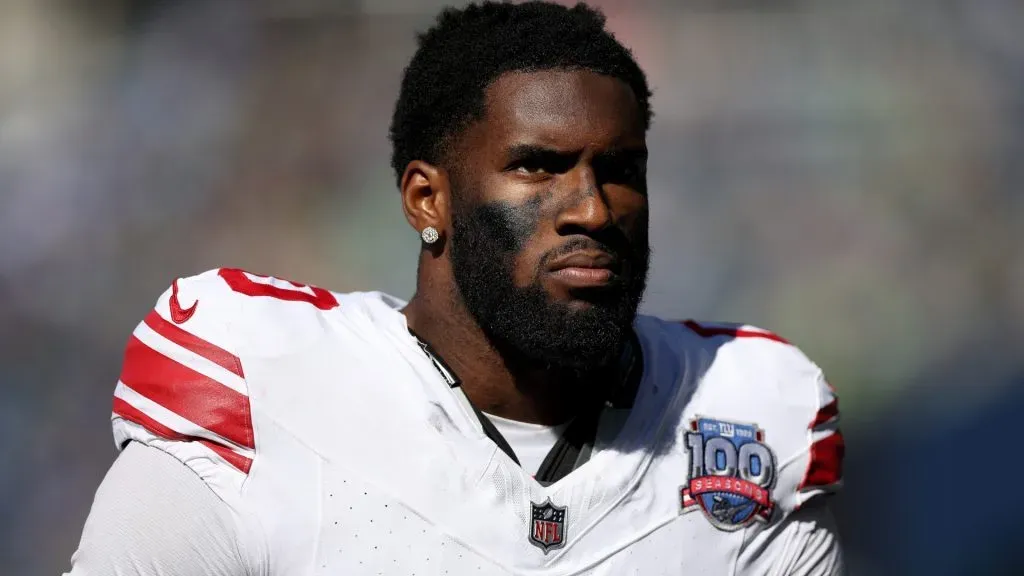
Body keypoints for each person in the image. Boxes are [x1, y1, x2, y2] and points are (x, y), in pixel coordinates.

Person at [64, 2, 845, 574]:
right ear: (426, 200)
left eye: (619, 170)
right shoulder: (258, 391)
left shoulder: (748, 418)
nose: (592, 209)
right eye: (537, 166)